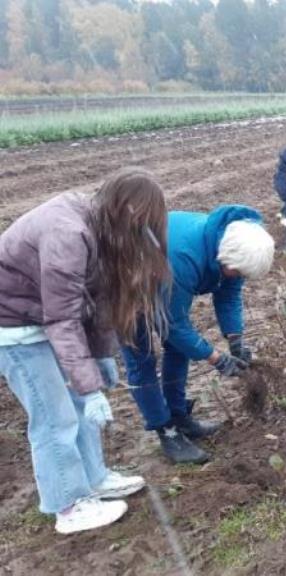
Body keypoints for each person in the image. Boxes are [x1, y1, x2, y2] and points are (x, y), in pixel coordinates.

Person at [0, 168, 168, 534]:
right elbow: (62, 318)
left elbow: (96, 301)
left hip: (42, 317)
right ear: (127, 211)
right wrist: (89, 387)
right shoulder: (68, 234)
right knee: (53, 415)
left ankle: (94, 479)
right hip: (12, 324)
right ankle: (69, 504)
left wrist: (100, 356)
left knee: (78, 405)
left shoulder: (101, 228)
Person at [122, 206, 275, 465]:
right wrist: (216, 358)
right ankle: (166, 432)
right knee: (141, 356)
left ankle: (179, 417)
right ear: (223, 258)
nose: (239, 277)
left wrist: (235, 340)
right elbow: (173, 325)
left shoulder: (231, 248)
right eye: (237, 272)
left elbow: (228, 295)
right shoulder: (185, 258)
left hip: (166, 279)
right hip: (128, 286)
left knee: (178, 349)